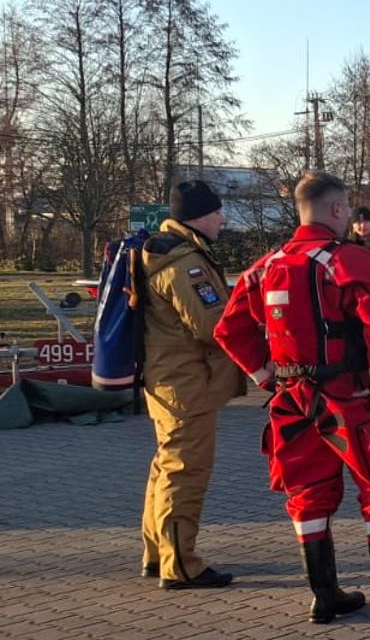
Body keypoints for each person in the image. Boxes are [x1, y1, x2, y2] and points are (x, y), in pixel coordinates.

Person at [215, 171, 370, 624]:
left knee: (308, 492)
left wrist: (267, 376)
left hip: (293, 398)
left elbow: (228, 327)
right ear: (335, 209)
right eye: (346, 208)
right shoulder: (344, 260)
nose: (349, 216)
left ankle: (325, 594)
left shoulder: (268, 263)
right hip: (349, 395)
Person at [138, 180, 242, 590]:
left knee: (165, 466)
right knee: (185, 471)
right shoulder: (185, 264)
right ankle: (181, 565)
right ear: (199, 216)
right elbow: (212, 324)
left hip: (168, 380)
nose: (223, 219)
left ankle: (158, 552)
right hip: (186, 385)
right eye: (217, 212)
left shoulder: (169, 251)